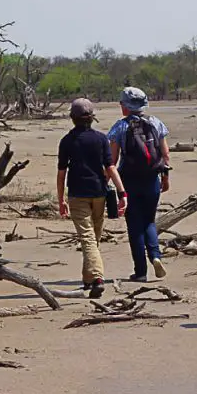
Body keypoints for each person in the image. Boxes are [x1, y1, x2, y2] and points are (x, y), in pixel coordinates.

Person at [57, 98, 127, 298]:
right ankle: (88, 280)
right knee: (92, 239)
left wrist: (61, 199)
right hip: (99, 193)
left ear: (73, 118)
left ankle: (97, 278)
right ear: (91, 118)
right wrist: (122, 193)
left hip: (78, 195)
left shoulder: (67, 141)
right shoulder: (100, 139)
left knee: (88, 238)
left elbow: (61, 173)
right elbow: (111, 167)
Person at [107, 86, 170, 282]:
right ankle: (156, 256)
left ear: (125, 107)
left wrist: (108, 183)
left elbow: (112, 160)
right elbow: (165, 155)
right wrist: (165, 178)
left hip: (129, 181)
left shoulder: (120, 127)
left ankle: (141, 272)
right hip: (152, 179)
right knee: (150, 221)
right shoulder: (156, 123)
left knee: (134, 225)